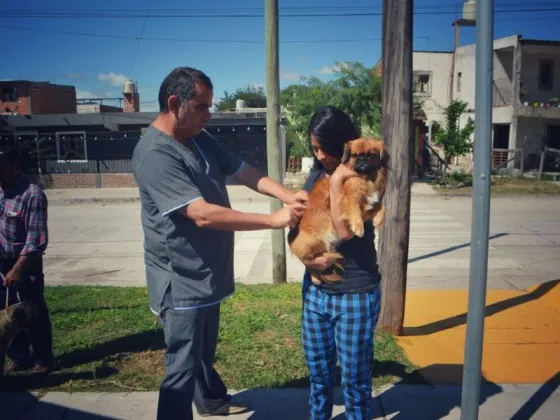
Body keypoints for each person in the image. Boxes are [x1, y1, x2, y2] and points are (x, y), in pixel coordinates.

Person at [131, 67, 307, 420]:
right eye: (202, 107)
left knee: (202, 353)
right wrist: (272, 221)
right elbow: (202, 215)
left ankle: (210, 400)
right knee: (180, 368)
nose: (208, 116)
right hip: (180, 281)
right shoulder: (155, 154)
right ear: (174, 103)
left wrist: (289, 197)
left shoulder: (197, 137)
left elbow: (242, 170)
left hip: (207, 275)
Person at [296, 106, 382, 420]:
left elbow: (345, 230)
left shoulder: (365, 174)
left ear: (339, 143)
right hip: (317, 294)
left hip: (355, 294)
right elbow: (305, 221)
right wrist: (308, 259)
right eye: (313, 148)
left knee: (355, 381)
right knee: (319, 378)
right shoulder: (318, 172)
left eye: (321, 148)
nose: (317, 155)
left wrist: (337, 181)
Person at [0, 146, 53, 375]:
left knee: (32, 312)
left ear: (16, 167)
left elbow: (36, 239)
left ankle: (42, 358)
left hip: (25, 263)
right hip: (1, 264)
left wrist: (19, 268)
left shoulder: (32, 194)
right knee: (7, 314)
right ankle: (19, 357)